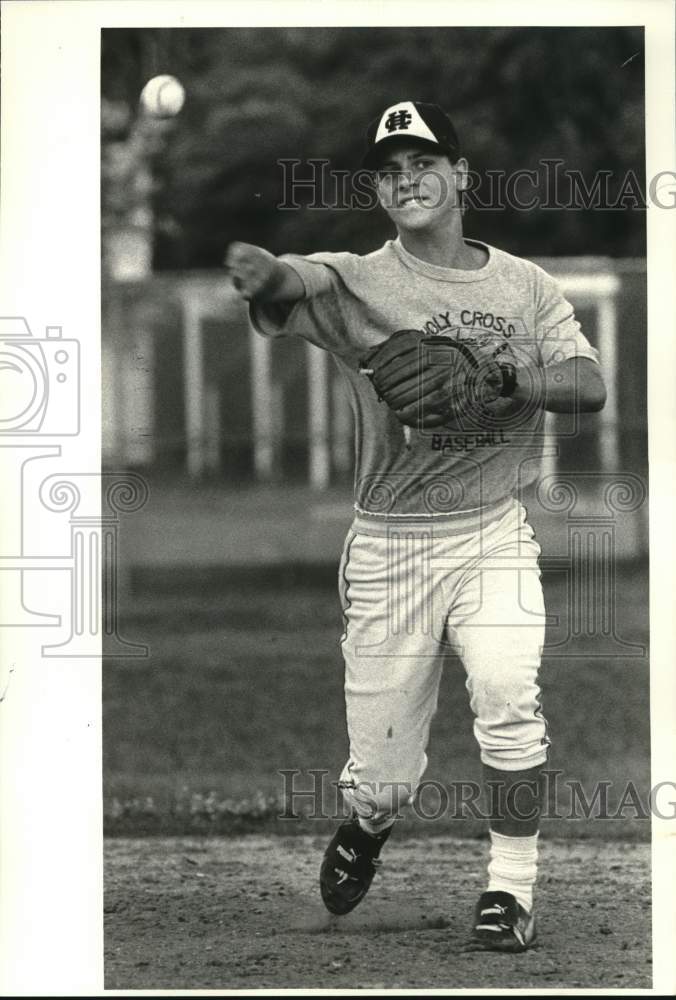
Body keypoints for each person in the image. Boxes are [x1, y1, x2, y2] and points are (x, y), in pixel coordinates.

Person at [225, 100, 606, 952]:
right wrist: (265, 272)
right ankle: (367, 823)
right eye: (390, 173)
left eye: (423, 164)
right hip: (392, 545)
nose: (408, 181)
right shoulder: (363, 281)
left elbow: (586, 382)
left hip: (490, 532)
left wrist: (514, 381)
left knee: (510, 696)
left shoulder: (523, 286)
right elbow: (299, 281)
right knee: (385, 782)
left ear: (461, 175)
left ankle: (511, 888)